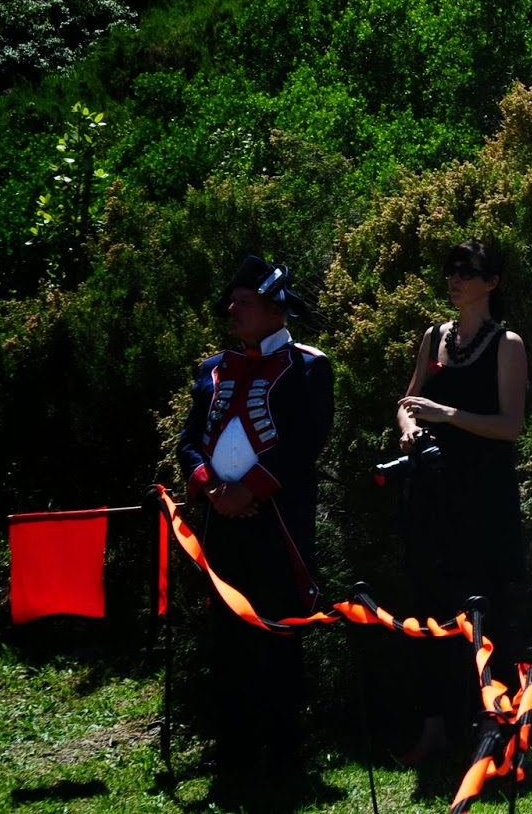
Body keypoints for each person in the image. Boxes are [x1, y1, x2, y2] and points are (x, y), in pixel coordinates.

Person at [178, 255, 333, 776]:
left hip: (278, 523)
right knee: (227, 640)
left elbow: (304, 444)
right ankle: (235, 757)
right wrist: (211, 489)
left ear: (275, 309)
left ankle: (286, 756)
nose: (232, 310)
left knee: (279, 634)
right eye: (232, 302)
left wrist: (251, 491)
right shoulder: (212, 370)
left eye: (243, 302)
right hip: (221, 522)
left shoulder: (309, 367)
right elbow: (189, 444)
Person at [392, 240, 528, 763]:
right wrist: (409, 427)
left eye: (466, 271)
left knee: (486, 613)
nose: (455, 279)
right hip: (432, 493)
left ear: (491, 282)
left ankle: (494, 733)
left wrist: (445, 414)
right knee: (427, 609)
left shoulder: (507, 343)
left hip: (484, 500)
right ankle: (434, 730)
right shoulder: (433, 337)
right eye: (450, 270)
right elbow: (408, 402)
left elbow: (509, 425)